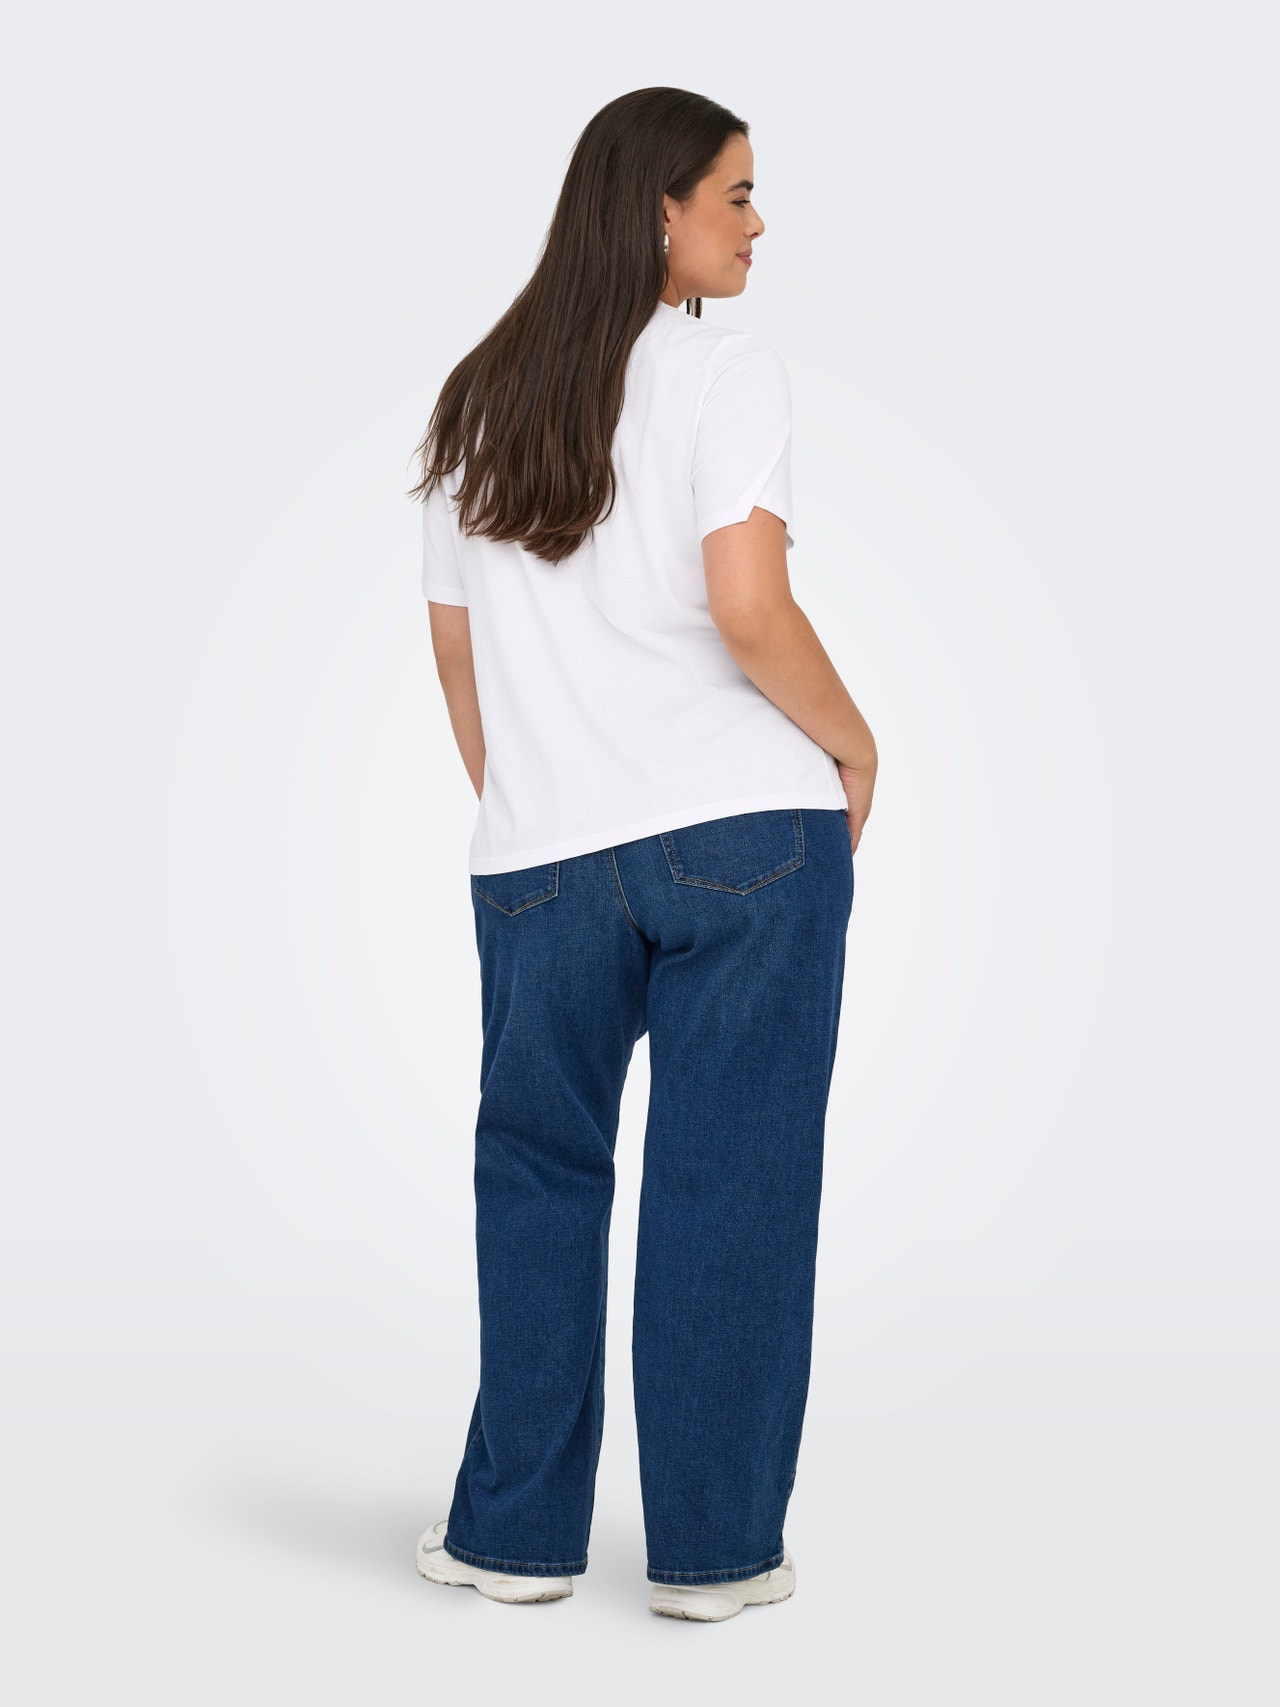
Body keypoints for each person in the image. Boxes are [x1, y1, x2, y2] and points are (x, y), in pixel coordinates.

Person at [407, 86, 878, 1622]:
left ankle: (512, 1541)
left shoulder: (478, 400)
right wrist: (857, 746)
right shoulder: (723, 371)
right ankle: (715, 1558)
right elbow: (749, 609)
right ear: (659, 209)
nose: (757, 223)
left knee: (536, 1174)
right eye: (736, 194)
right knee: (731, 1181)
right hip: (747, 836)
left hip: (539, 856)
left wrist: (535, 803)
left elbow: (457, 652)